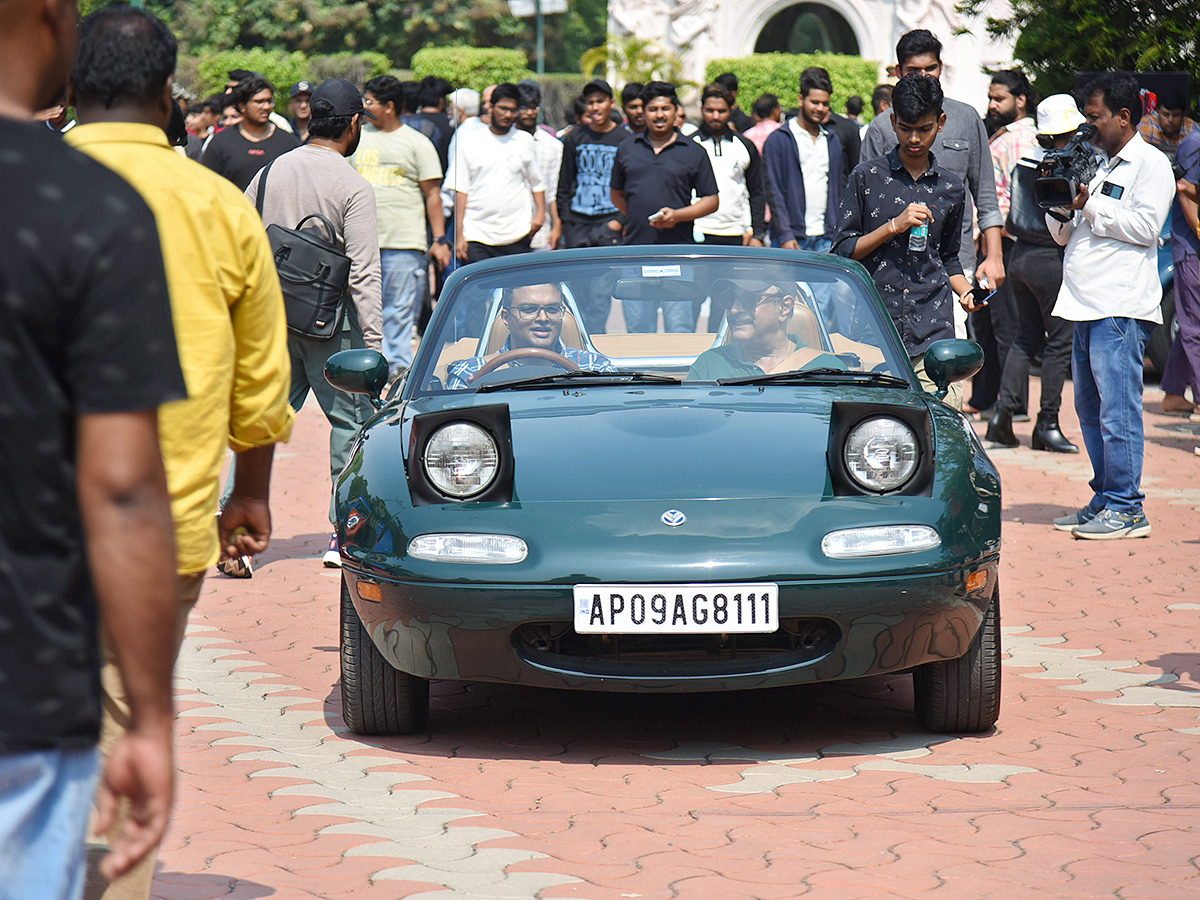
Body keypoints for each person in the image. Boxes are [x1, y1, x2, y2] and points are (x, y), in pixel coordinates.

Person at [66, 8, 296, 896]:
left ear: (71, 85)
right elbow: (259, 380)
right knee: (126, 730)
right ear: (169, 95)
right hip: (160, 526)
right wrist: (254, 493)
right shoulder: (217, 206)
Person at [0, 1, 186, 895]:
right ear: (47, 18)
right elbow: (120, 488)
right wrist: (149, 719)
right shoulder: (84, 208)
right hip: (21, 690)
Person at [245, 78, 384, 566]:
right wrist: (374, 346)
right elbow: (365, 272)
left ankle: (232, 522)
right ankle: (342, 534)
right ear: (352, 124)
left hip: (273, 321)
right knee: (351, 424)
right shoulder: (352, 186)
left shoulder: (268, 174)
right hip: (333, 327)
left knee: (260, 422)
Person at [1047, 74, 1174, 539]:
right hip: (1083, 303)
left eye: (1095, 116)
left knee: (1119, 410)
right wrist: (1062, 204)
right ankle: (1104, 498)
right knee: (1089, 409)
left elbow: (1146, 227)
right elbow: (1064, 235)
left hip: (1119, 307)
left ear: (1124, 116)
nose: (1089, 125)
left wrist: (1091, 205)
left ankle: (1127, 507)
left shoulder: (1149, 163)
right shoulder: (1097, 163)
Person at [831, 74, 980, 409]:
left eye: (924, 129)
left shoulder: (952, 188)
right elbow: (843, 251)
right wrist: (892, 227)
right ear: (892, 121)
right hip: (873, 331)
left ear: (940, 123)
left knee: (940, 426)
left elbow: (949, 258)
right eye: (906, 128)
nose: (914, 138)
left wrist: (966, 292)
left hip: (933, 333)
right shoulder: (866, 177)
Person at [860, 30, 1006, 316]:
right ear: (898, 71)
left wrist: (994, 255)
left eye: (931, 68)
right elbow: (864, 214)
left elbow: (986, 196)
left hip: (954, 265)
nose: (924, 77)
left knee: (950, 354)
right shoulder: (880, 128)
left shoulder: (966, 119)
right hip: (891, 271)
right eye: (914, 70)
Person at [985, 95, 1086, 454]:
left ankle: (1002, 416)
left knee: (1025, 337)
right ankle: (1047, 423)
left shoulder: (1026, 160)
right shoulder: (1068, 163)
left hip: (1021, 256)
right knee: (1058, 343)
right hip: (1050, 258)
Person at [355, 75, 450, 378]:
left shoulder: (416, 142)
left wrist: (439, 238)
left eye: (370, 101)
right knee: (361, 308)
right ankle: (363, 367)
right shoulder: (355, 137)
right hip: (360, 240)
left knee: (399, 310)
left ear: (389, 106)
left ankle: (395, 368)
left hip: (404, 241)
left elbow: (433, 195)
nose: (365, 107)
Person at [610, 81, 719, 332]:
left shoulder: (693, 151)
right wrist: (638, 215)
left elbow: (711, 200)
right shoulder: (627, 148)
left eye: (665, 108)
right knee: (638, 329)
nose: (659, 115)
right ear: (643, 113)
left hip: (678, 255)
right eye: (652, 109)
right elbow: (616, 194)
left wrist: (677, 217)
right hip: (635, 254)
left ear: (675, 111)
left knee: (680, 327)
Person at [972, 69, 1039, 421]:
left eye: (1000, 98)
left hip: (1007, 243)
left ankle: (1012, 404)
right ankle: (987, 398)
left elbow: (1017, 197)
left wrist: (996, 236)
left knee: (1008, 325)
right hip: (993, 241)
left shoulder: (1019, 139)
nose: (992, 104)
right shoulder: (1003, 135)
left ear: (1021, 100)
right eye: (990, 98)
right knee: (988, 323)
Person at [691, 84, 767, 329]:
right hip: (697, 234)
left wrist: (757, 233)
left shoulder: (744, 145)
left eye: (721, 110)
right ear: (702, 109)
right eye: (710, 110)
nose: (715, 116)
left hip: (735, 237)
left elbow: (757, 192)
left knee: (726, 303)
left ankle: (719, 353)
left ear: (731, 110)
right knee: (692, 298)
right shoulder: (688, 145)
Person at [447, 83, 545, 266]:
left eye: (513, 110)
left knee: (516, 292)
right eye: (503, 109)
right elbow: (461, 191)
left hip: (518, 234)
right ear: (489, 107)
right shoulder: (469, 142)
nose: (508, 115)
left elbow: (537, 183)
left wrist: (540, 215)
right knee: (483, 294)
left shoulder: (524, 140)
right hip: (477, 234)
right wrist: (459, 235)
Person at [445, 283, 616, 389]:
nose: (543, 318)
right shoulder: (469, 373)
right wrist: (471, 396)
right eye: (528, 309)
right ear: (506, 317)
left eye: (552, 309)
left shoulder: (596, 368)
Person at [688, 281, 845, 379]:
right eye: (728, 299)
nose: (735, 309)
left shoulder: (829, 371)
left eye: (749, 299)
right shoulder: (709, 366)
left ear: (784, 307)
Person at [762, 67, 844, 252]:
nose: (820, 109)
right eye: (814, 102)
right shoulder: (779, 139)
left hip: (826, 237)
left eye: (825, 104)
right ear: (801, 99)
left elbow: (840, 188)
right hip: (791, 239)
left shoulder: (832, 140)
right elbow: (773, 190)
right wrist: (785, 234)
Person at [1159, 126, 1200, 416]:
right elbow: (1185, 190)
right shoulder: (1194, 145)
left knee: (1189, 322)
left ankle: (1173, 392)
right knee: (1195, 327)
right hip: (1191, 247)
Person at [201, 76, 299, 190]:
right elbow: (206, 187)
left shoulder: (289, 142)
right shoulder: (220, 143)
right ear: (242, 106)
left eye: (269, 101)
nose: (266, 107)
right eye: (259, 102)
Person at [1138, 91, 1196, 160]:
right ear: (1158, 112)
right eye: (1166, 114)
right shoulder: (1147, 124)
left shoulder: (1191, 128)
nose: (1170, 120)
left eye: (1176, 115)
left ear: (1183, 115)